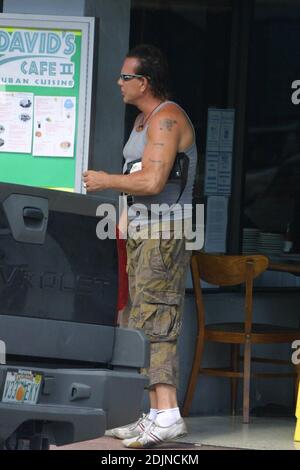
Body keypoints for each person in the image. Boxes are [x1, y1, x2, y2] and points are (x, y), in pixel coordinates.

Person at [83, 44, 197, 448]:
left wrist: (105, 181)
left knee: (156, 317)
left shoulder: (167, 119)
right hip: (142, 230)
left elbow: (152, 182)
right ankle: (151, 413)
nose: (119, 82)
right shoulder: (141, 121)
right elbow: (142, 180)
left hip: (164, 233)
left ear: (143, 82)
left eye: (125, 76)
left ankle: (167, 415)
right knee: (137, 318)